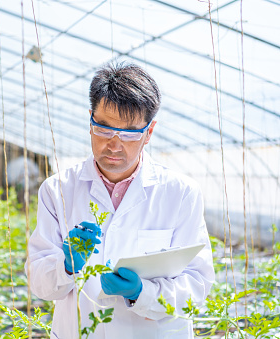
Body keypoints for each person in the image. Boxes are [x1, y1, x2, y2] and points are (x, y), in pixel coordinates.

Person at [26, 62, 215, 338]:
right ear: (90, 120)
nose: (114, 144)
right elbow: (39, 284)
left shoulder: (180, 193)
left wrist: (143, 293)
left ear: (149, 132)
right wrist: (64, 266)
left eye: (129, 133)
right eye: (103, 129)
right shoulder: (57, 191)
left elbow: (197, 286)